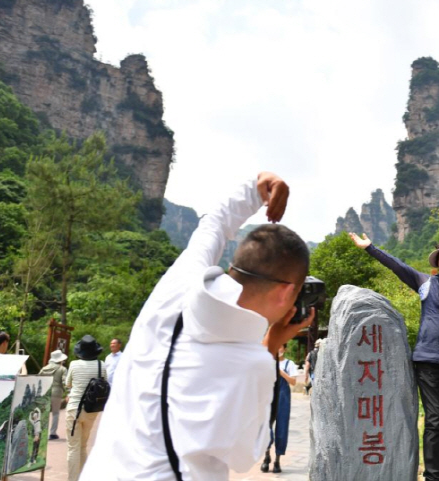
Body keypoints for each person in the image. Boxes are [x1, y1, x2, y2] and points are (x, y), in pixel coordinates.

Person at [81, 172, 314, 481]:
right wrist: (270, 346)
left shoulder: (176, 287)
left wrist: (259, 186)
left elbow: (213, 225)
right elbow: (245, 456)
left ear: (233, 268)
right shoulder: (251, 364)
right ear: (286, 292)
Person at [349, 233, 439, 481]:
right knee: (437, 421)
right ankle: (433, 477)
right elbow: (399, 267)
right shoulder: (427, 283)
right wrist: (370, 248)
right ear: (437, 262)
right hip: (430, 363)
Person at [65, 335, 107, 481]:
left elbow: (68, 384)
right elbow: (104, 384)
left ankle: (72, 479)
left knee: (73, 448)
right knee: (83, 446)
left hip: (74, 409)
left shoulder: (74, 365)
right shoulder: (102, 365)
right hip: (92, 410)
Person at [261, 344, 298, 474]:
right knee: (266, 427)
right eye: (277, 346)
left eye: (281, 347)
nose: (279, 349)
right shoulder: (267, 362)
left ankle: (277, 460)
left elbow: (293, 382)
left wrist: (280, 372)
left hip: (283, 398)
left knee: (282, 428)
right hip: (269, 397)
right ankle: (266, 456)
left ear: (285, 349)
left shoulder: (289, 364)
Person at [39, 349, 68, 440]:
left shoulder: (44, 368)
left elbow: (38, 379)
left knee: (44, 413)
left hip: (44, 392)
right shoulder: (62, 369)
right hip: (57, 392)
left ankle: (41, 433)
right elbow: (64, 382)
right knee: (55, 413)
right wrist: (68, 393)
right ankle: (52, 433)